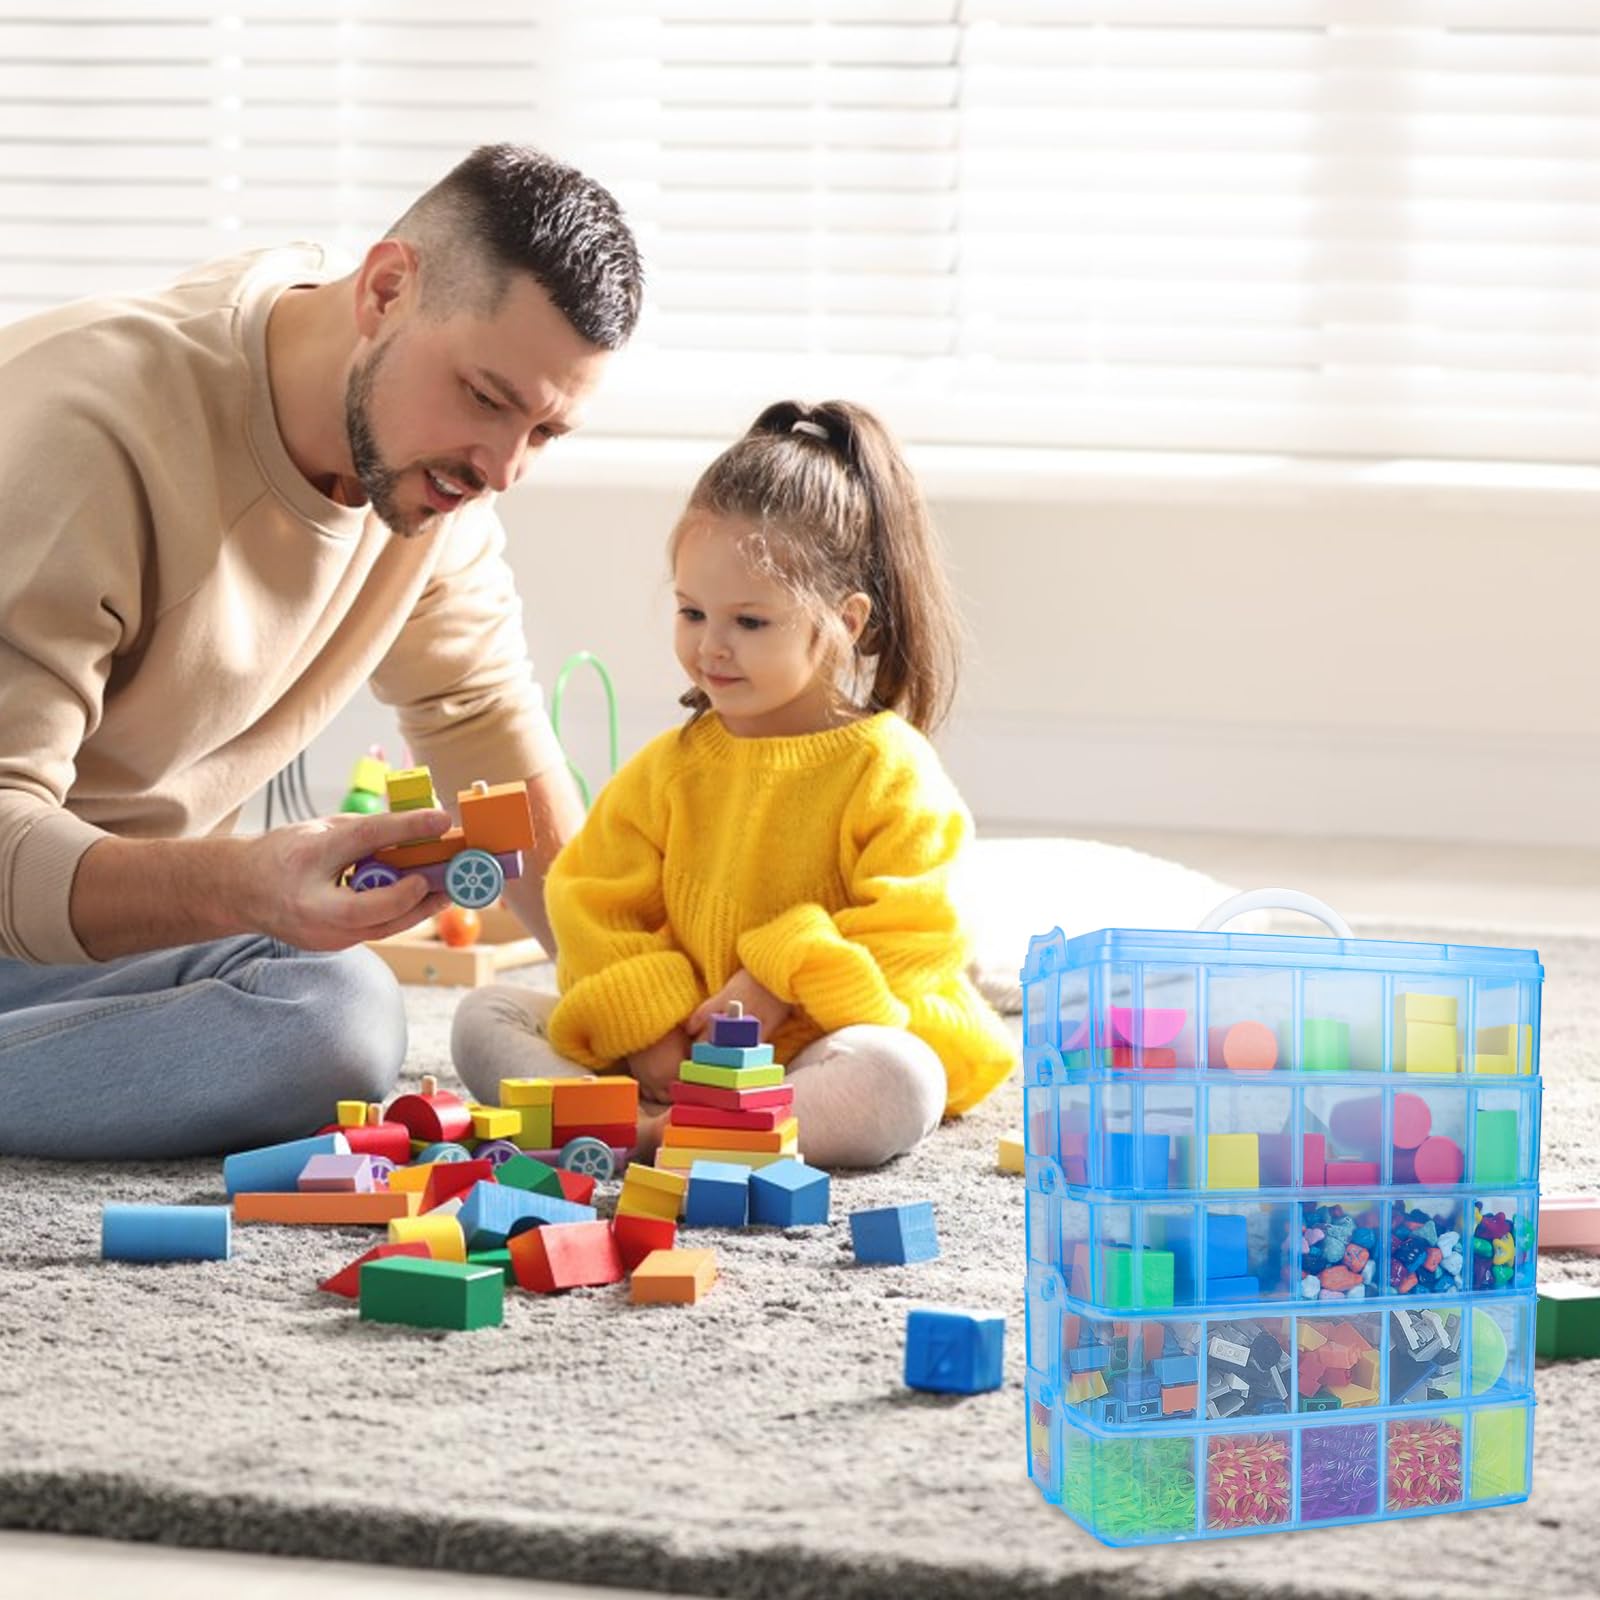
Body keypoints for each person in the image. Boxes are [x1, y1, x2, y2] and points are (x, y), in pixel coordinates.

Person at [0, 144, 643, 1160]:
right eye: (484, 396)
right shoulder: (87, 433)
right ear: (386, 289)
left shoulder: (435, 475)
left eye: (545, 432)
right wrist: (244, 883)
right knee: (335, 1021)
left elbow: (479, 720)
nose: (504, 468)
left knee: (325, 1005)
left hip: (79, 935)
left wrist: (625, 991)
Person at [451, 399, 1016, 1168]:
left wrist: (778, 976)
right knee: (485, 1015)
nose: (710, 648)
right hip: (672, 1058)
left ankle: (647, 1138)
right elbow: (590, 902)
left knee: (900, 1078)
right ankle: (676, 1130)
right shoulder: (670, 768)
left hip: (815, 1056)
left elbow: (917, 933)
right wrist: (649, 1027)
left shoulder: (890, 768)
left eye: (750, 623)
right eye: (691, 612)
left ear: (846, 622)